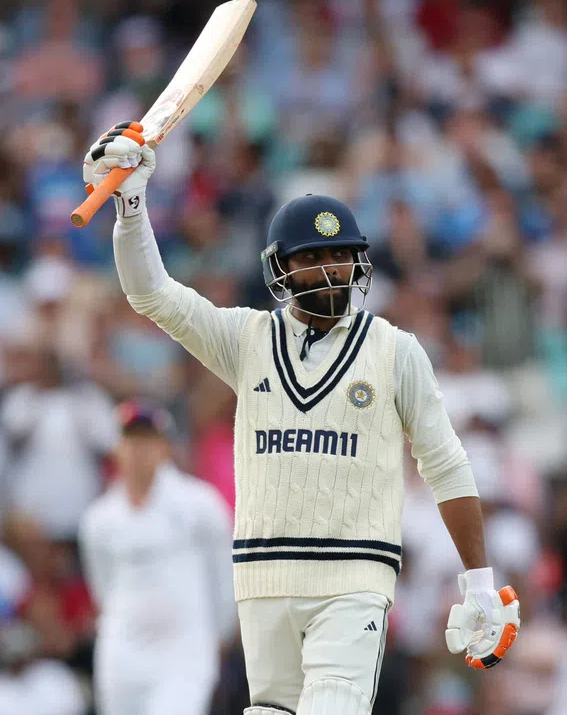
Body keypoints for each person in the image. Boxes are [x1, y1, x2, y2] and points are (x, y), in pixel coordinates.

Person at [81, 121, 521, 715]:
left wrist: (478, 581)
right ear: (281, 268)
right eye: (313, 258)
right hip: (264, 581)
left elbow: (446, 464)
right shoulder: (247, 340)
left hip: (353, 580)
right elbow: (151, 294)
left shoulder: (394, 351)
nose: (332, 269)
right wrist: (130, 204)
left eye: (342, 255)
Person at [78, 400, 236, 715]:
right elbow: (103, 587)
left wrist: (219, 632)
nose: (139, 451)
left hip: (184, 652)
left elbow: (224, 572)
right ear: (117, 449)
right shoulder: (99, 521)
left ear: (164, 447)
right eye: (131, 441)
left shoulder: (200, 506)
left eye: (148, 441)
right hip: (123, 655)